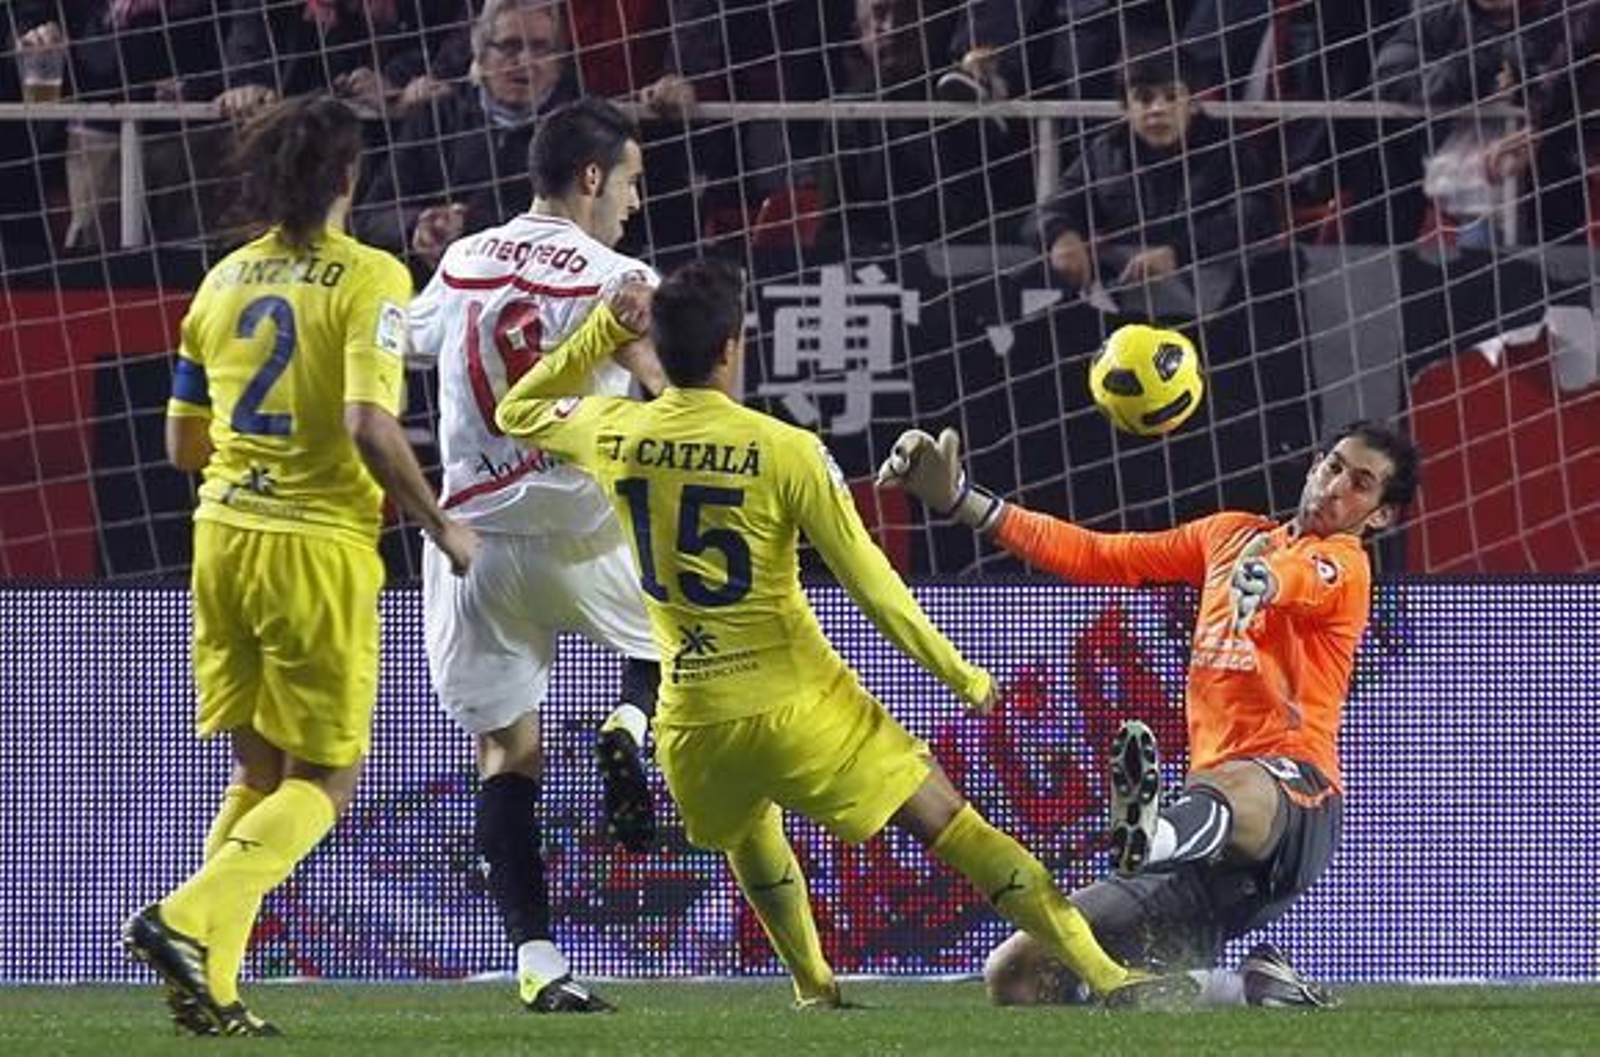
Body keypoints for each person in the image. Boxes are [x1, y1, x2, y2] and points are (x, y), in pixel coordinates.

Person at [493, 257, 1177, 1009]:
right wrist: (963, 675)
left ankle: (813, 985)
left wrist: (601, 331)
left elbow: (519, 409)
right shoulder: (787, 450)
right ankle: (1108, 972)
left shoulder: (616, 432)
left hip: (692, 723)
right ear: (731, 348)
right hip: (800, 706)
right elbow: (873, 585)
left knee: (752, 830)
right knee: (950, 822)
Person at [120, 95, 479, 1037]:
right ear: (348, 177)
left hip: (221, 539)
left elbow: (180, 446)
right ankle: (185, 916)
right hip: (314, 546)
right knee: (326, 778)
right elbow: (368, 423)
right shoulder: (372, 277)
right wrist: (439, 525)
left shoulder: (222, 281)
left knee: (262, 770)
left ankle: (213, 984)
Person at [876, 419, 1419, 1008]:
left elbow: (1303, 577)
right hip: (1205, 846)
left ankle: (1154, 834)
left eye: (1361, 484)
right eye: (1334, 465)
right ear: (1315, 463)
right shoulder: (1227, 536)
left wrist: (1262, 581)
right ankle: (1249, 989)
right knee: (1018, 973)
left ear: (1380, 515)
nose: (1337, 485)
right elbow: (1098, 554)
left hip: (1291, 806)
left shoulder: (1346, 565)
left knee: (1232, 780)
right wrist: (964, 501)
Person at [406, 96, 667, 1013]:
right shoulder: (620, 273)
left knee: (508, 751)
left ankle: (538, 960)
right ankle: (631, 724)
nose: (635, 200)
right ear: (592, 177)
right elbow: (666, 391)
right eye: (631, 179)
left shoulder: (462, 257)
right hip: (582, 532)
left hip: (472, 543)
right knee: (672, 634)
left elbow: (406, 339)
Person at [353, 0, 579, 271]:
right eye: (509, 46)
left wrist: (469, 224)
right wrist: (418, 223)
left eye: (541, 48)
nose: (525, 61)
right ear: (480, 55)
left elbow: (578, 228)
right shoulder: (436, 118)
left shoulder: (580, 129)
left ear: (558, 62)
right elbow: (370, 217)